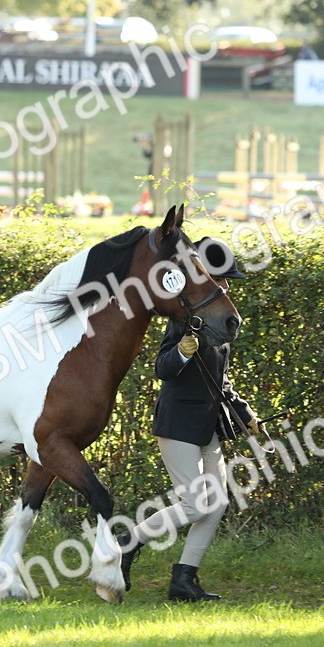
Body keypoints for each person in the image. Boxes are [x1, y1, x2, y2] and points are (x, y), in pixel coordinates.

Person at [115, 239, 259, 602]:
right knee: (195, 506)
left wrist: (245, 413)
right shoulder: (185, 319)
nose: (224, 287)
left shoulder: (218, 321)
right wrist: (181, 352)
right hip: (179, 424)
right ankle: (127, 541)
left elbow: (221, 381)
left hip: (208, 427)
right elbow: (162, 368)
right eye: (219, 280)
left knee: (218, 504)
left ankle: (184, 579)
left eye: (226, 281)